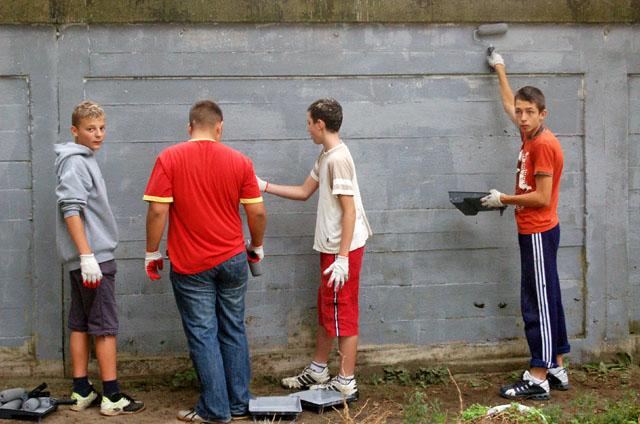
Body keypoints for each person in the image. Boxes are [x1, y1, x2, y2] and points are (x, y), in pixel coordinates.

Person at [143, 100, 266, 423]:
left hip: (191, 265)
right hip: (234, 259)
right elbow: (256, 211)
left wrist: (152, 252)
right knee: (233, 329)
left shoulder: (169, 158)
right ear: (219, 127)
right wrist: (257, 245)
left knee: (203, 333)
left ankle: (215, 409)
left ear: (189, 127)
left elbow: (158, 210)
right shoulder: (240, 161)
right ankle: (239, 403)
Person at [257, 98, 372, 400]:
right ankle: (319, 369)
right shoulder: (327, 154)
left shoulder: (338, 159)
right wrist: (264, 186)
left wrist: (344, 258)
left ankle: (346, 381)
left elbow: (349, 212)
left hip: (341, 250)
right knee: (328, 308)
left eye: (309, 123)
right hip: (333, 248)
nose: (307, 129)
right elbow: (305, 191)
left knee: (343, 312)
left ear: (320, 124)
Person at [482, 51, 570, 400]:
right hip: (536, 230)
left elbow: (543, 197)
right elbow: (508, 103)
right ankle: (558, 367)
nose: (520, 116)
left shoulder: (543, 145)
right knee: (547, 297)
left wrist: (503, 199)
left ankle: (539, 374)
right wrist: (500, 68)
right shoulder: (529, 134)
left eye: (528, 112)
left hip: (537, 229)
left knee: (537, 302)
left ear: (543, 114)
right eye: (519, 111)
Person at [55, 100, 145, 416]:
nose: (98, 134)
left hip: (82, 260)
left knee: (80, 322)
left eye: (102, 128)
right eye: (91, 129)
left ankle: (82, 391)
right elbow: (71, 209)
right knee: (105, 326)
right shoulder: (77, 163)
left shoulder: (80, 160)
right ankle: (112, 396)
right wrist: (88, 255)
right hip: (93, 260)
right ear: (74, 130)